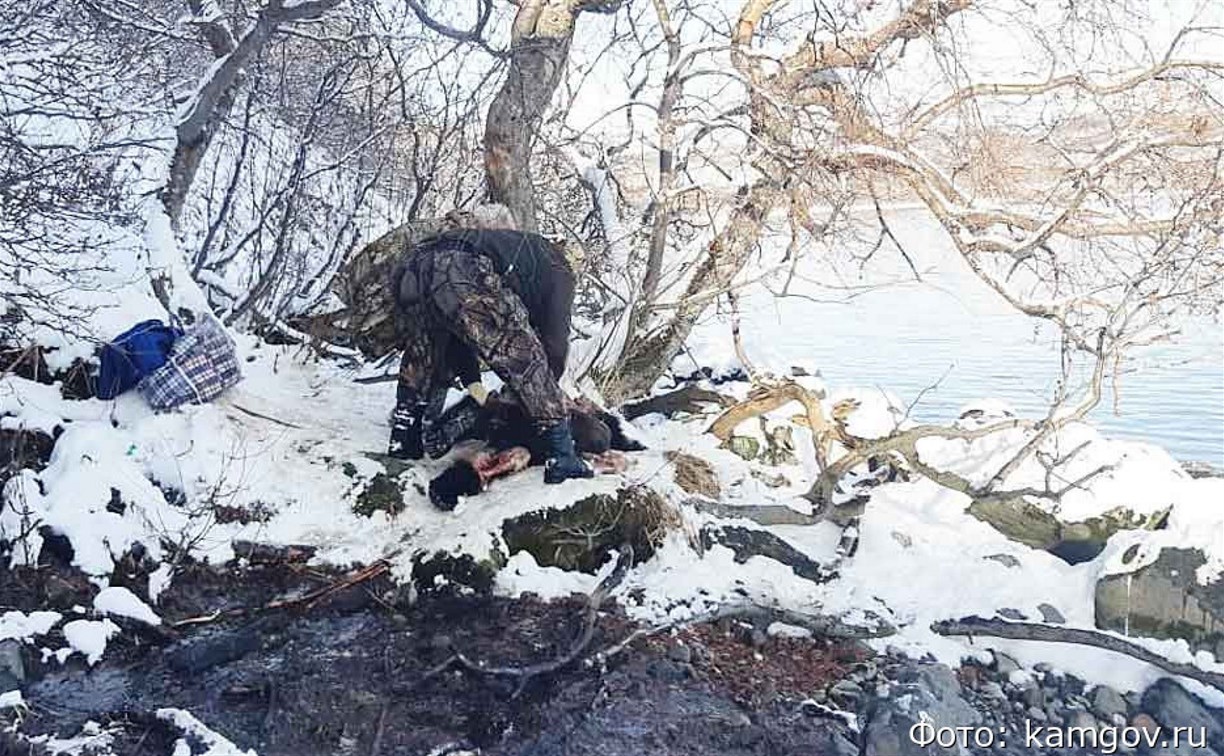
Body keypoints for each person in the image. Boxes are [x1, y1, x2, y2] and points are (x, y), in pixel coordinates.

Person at [386, 220, 593, 485]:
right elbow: (553, 344)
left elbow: (459, 332)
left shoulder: (521, 250)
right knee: (520, 353)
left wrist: (474, 384)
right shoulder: (559, 267)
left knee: (425, 354)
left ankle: (405, 440)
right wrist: (541, 398)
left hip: (414, 267)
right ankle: (563, 456)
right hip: (461, 268)